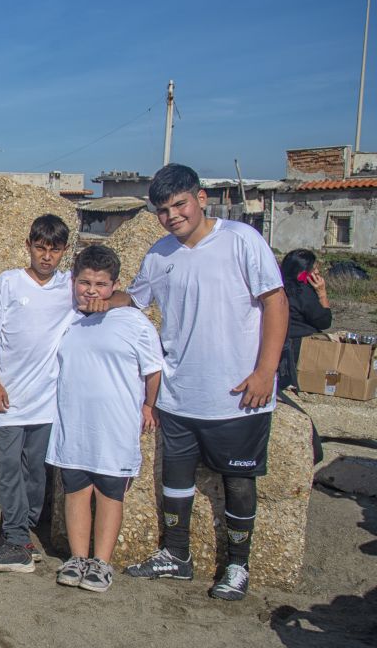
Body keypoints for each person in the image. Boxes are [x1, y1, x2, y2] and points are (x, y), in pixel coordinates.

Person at [116, 164, 287, 601]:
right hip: (178, 395)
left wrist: (265, 371)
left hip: (237, 396)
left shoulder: (241, 240)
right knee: (176, 481)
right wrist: (91, 295)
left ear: (201, 198)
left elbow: (275, 302)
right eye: (162, 209)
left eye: (179, 204)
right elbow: (133, 301)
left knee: (238, 483)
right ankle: (176, 556)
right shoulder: (158, 255)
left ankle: (237, 564)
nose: (172, 215)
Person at [47, 246, 163, 593]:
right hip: (74, 422)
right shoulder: (69, 319)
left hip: (116, 423)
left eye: (101, 283)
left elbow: (153, 370)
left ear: (114, 285)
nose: (92, 290)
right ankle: (78, 557)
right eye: (84, 282)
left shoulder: (133, 322)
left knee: (111, 493)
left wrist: (149, 406)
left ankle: (101, 563)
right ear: (73, 281)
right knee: (77, 491)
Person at [0, 215, 79, 573]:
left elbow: (107, 293)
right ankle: (16, 539)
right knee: (9, 469)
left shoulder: (69, 286)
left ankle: (27, 530)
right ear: (29, 246)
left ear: (64, 251)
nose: (46, 256)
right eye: (40, 248)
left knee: (37, 472)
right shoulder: (8, 282)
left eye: (54, 250)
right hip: (8, 398)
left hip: (46, 401)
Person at [277, 248, 332, 392]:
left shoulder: (276, 286)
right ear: (303, 273)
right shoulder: (303, 292)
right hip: (299, 348)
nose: (317, 272)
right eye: (314, 269)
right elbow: (324, 322)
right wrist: (322, 293)